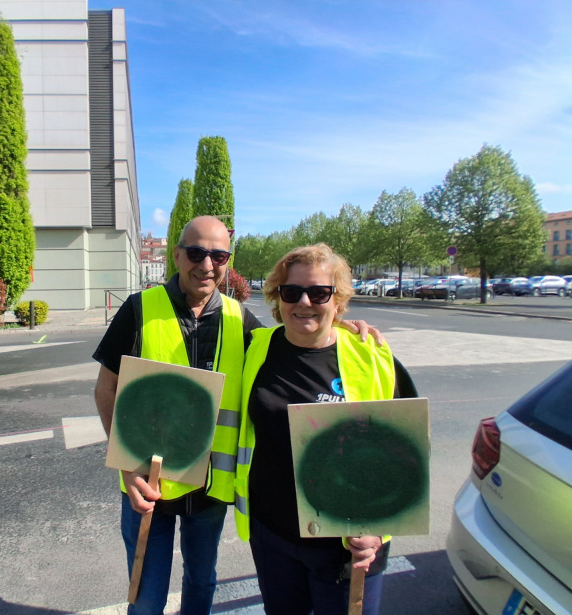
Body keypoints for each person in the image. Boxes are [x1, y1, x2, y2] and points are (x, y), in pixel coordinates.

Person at [93, 218, 379, 615]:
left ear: (228, 261)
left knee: (202, 581)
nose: (206, 264)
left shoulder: (239, 318)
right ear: (176, 255)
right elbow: (106, 390)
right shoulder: (139, 310)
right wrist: (126, 465)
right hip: (149, 486)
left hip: (210, 490)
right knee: (146, 597)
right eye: (195, 253)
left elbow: (291, 340)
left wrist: (341, 325)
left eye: (218, 255)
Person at [233, 244, 418, 615]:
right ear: (277, 297)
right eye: (291, 292)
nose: (304, 302)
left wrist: (376, 530)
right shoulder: (255, 347)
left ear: (338, 300)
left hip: (347, 543)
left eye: (319, 293)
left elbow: (409, 451)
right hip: (274, 536)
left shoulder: (372, 356)